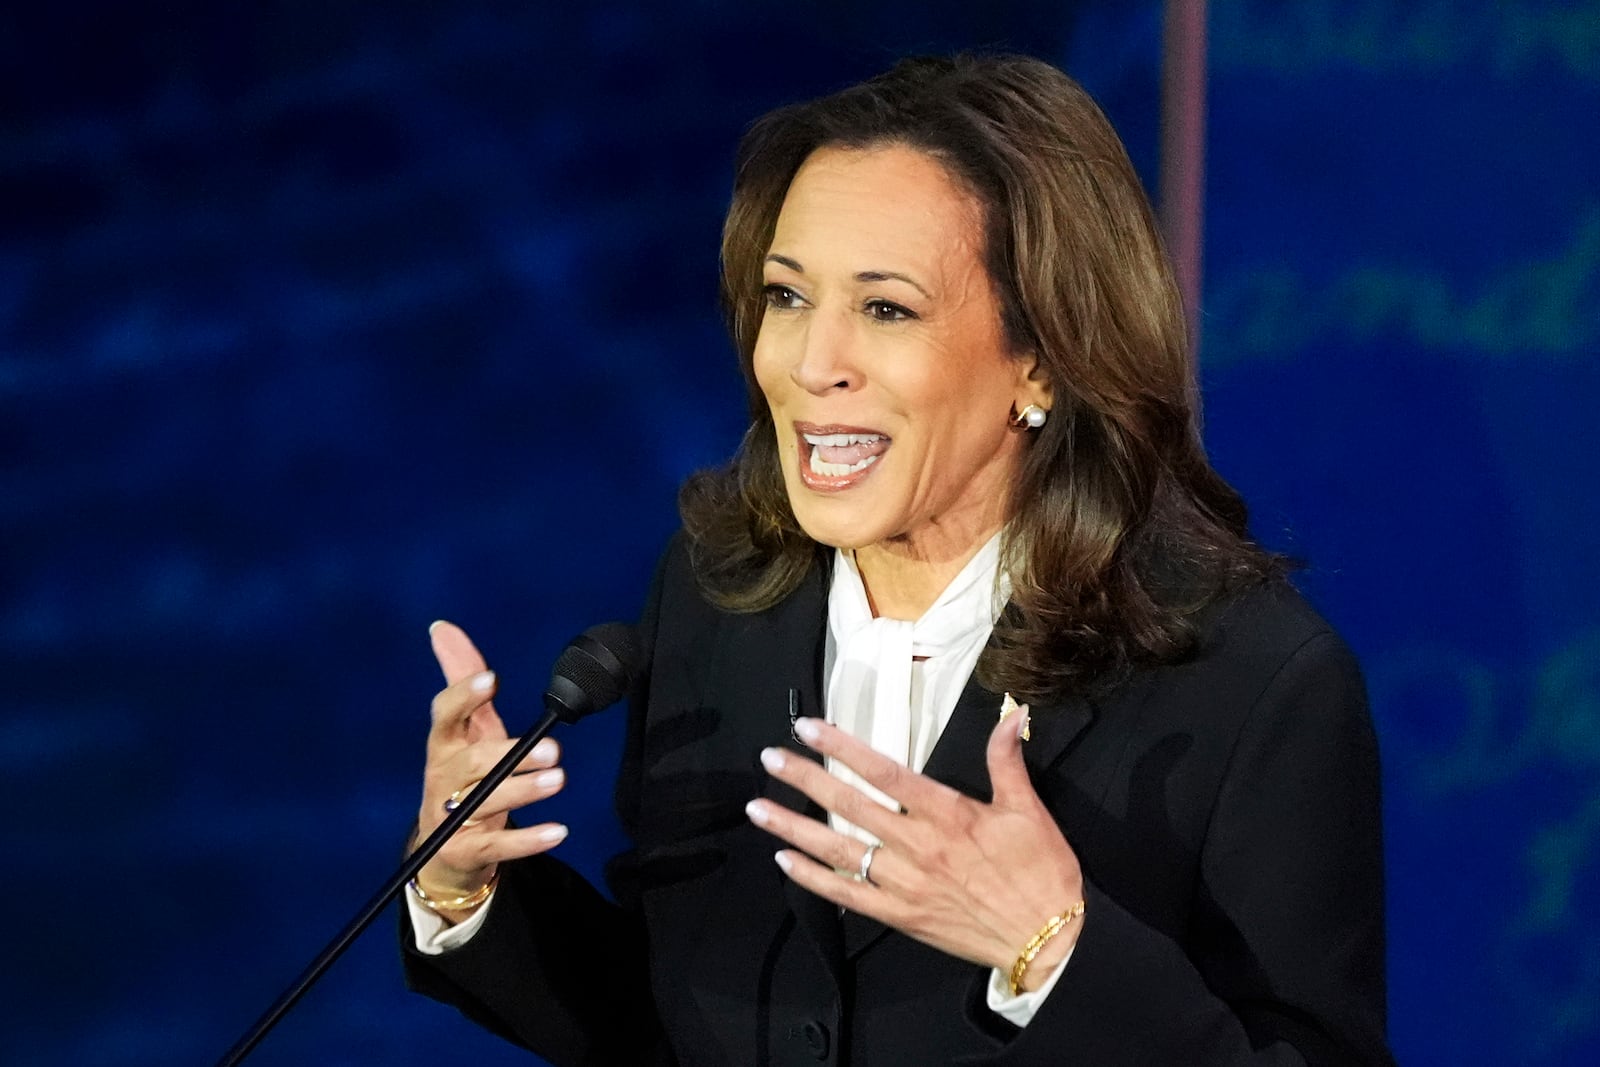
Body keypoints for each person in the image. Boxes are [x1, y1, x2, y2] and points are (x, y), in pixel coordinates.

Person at [400, 53, 1395, 1066]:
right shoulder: (721, 597)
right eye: (786, 297)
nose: (811, 360)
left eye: (885, 308)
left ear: (1041, 355)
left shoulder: (1250, 681)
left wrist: (1051, 950)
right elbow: (677, 1016)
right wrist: (463, 883)